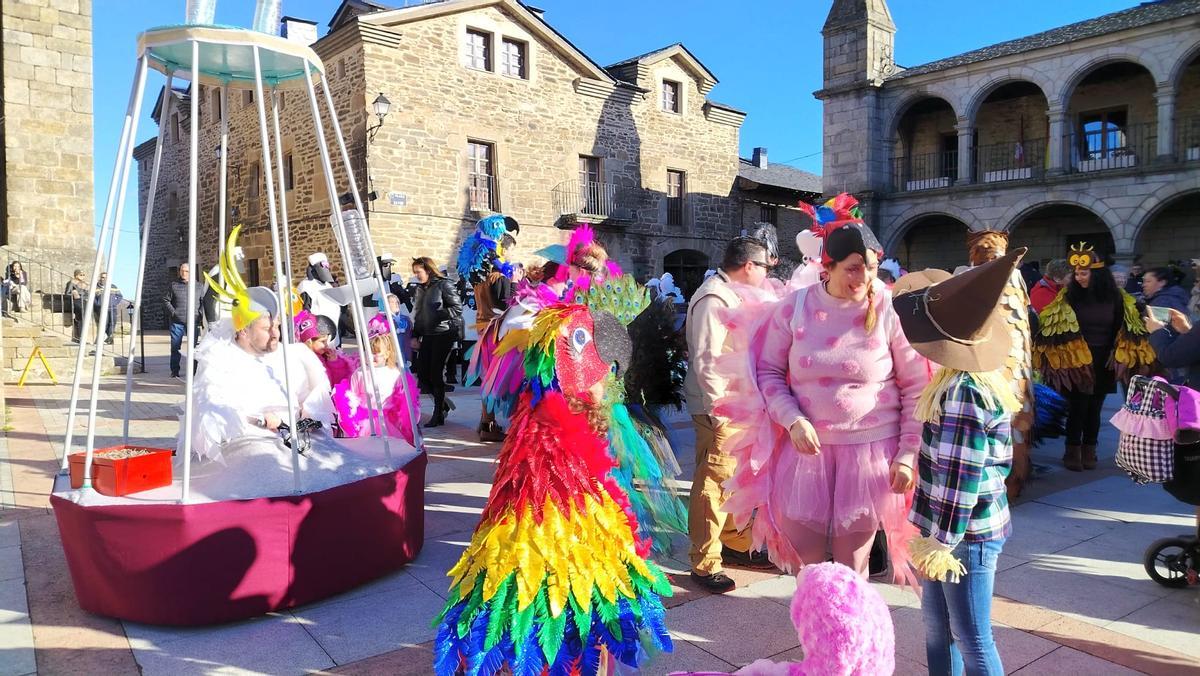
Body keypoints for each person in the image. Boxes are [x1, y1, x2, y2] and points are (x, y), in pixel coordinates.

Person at [433, 263, 674, 675]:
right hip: (545, 522)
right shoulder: (548, 415)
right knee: (544, 605)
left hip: (577, 515)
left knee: (576, 606)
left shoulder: (561, 409)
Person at [726, 193, 930, 580]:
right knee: (810, 570)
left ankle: (852, 640)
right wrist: (792, 420)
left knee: (854, 569)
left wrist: (907, 454)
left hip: (869, 456)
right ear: (828, 266)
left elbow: (915, 386)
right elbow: (768, 372)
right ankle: (816, 639)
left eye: (871, 268)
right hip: (806, 455)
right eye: (853, 269)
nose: (865, 279)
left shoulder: (887, 308)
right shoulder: (795, 308)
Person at [893, 250, 1026, 676]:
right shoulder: (959, 381)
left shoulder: (963, 391)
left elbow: (960, 478)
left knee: (971, 635)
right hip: (950, 531)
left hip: (962, 536)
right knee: (938, 628)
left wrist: (941, 543)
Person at [186, 227, 335, 464]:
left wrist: (309, 415)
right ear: (243, 331)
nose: (276, 334)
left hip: (305, 445)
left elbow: (317, 394)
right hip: (249, 452)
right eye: (267, 329)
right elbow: (213, 411)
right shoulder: (220, 360)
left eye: (276, 326)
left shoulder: (294, 354)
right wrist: (258, 419)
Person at [684, 237, 774, 593]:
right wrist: (719, 409)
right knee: (714, 481)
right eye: (765, 267)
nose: (768, 275)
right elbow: (706, 359)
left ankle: (735, 543)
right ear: (749, 266)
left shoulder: (731, 294)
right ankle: (705, 563)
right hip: (717, 408)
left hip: (735, 404)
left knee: (732, 477)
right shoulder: (713, 298)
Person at [1034, 242, 1154, 471]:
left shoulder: (1117, 298)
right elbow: (1054, 327)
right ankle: (1072, 451)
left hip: (1104, 360)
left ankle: (1090, 450)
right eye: (1076, 273)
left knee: (1094, 408)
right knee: (1077, 407)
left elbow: (1124, 328)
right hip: (1076, 361)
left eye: (1083, 272)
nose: (1078, 277)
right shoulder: (1069, 297)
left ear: (1096, 272)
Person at [960, 231, 1035, 499]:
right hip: (991, 363)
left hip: (999, 366)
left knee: (1007, 417)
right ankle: (1007, 479)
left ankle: (1008, 480)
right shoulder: (1010, 277)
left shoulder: (999, 277)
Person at [456, 214, 520, 442]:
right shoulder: (498, 276)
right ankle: (491, 424)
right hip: (497, 331)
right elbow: (508, 303)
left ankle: (486, 422)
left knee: (489, 378)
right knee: (502, 378)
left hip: (484, 329)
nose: (511, 255)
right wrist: (514, 283)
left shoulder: (480, 276)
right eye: (510, 250)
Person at [331, 313, 419, 445]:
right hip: (366, 424)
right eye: (369, 352)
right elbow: (352, 400)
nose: (371, 357)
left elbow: (406, 403)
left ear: (388, 353)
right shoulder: (360, 374)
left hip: (390, 425)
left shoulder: (396, 374)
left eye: (376, 353)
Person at [411, 256, 462, 428]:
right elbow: (419, 313)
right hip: (428, 334)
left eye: (418, 272)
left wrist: (439, 313)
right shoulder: (421, 289)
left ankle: (438, 413)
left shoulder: (444, 284)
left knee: (435, 373)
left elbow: (457, 308)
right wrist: (415, 334)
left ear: (428, 270)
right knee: (423, 376)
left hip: (443, 333)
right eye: (415, 272)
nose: (416, 275)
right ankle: (443, 404)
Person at [163, 263, 200, 379]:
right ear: (179, 272)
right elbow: (166, 300)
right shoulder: (173, 286)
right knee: (175, 347)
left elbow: (203, 302)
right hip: (177, 321)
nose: (184, 273)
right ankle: (174, 370)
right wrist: (174, 313)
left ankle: (194, 371)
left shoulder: (199, 286)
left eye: (187, 271)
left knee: (193, 347)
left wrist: (200, 315)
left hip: (193, 321)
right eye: (182, 271)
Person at [92, 272, 123, 345]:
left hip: (112, 308)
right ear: (100, 278)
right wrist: (98, 304)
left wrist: (114, 303)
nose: (104, 279)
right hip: (101, 309)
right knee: (104, 324)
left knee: (112, 323)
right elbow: (92, 297)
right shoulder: (96, 287)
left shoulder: (113, 286)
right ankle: (101, 339)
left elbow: (120, 296)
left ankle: (109, 339)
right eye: (103, 277)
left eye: (106, 277)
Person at [65, 269, 88, 343]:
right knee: (81, 317)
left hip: (84, 301)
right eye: (80, 275)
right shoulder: (71, 283)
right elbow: (67, 293)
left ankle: (81, 337)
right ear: (76, 275)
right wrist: (74, 293)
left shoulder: (85, 284)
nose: (82, 276)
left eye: (83, 275)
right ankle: (79, 337)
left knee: (84, 318)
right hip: (75, 301)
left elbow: (87, 294)